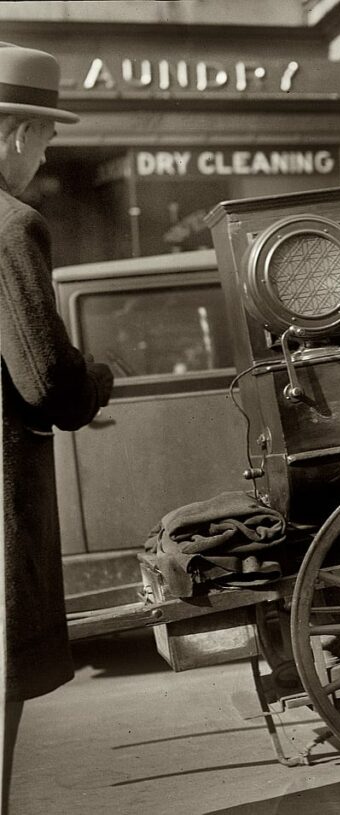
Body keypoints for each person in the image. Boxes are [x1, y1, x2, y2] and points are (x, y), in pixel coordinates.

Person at [0, 43, 113, 806]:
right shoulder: (12, 227)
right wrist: (98, 378)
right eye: (44, 136)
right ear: (13, 133)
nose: (45, 154)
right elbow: (46, 383)